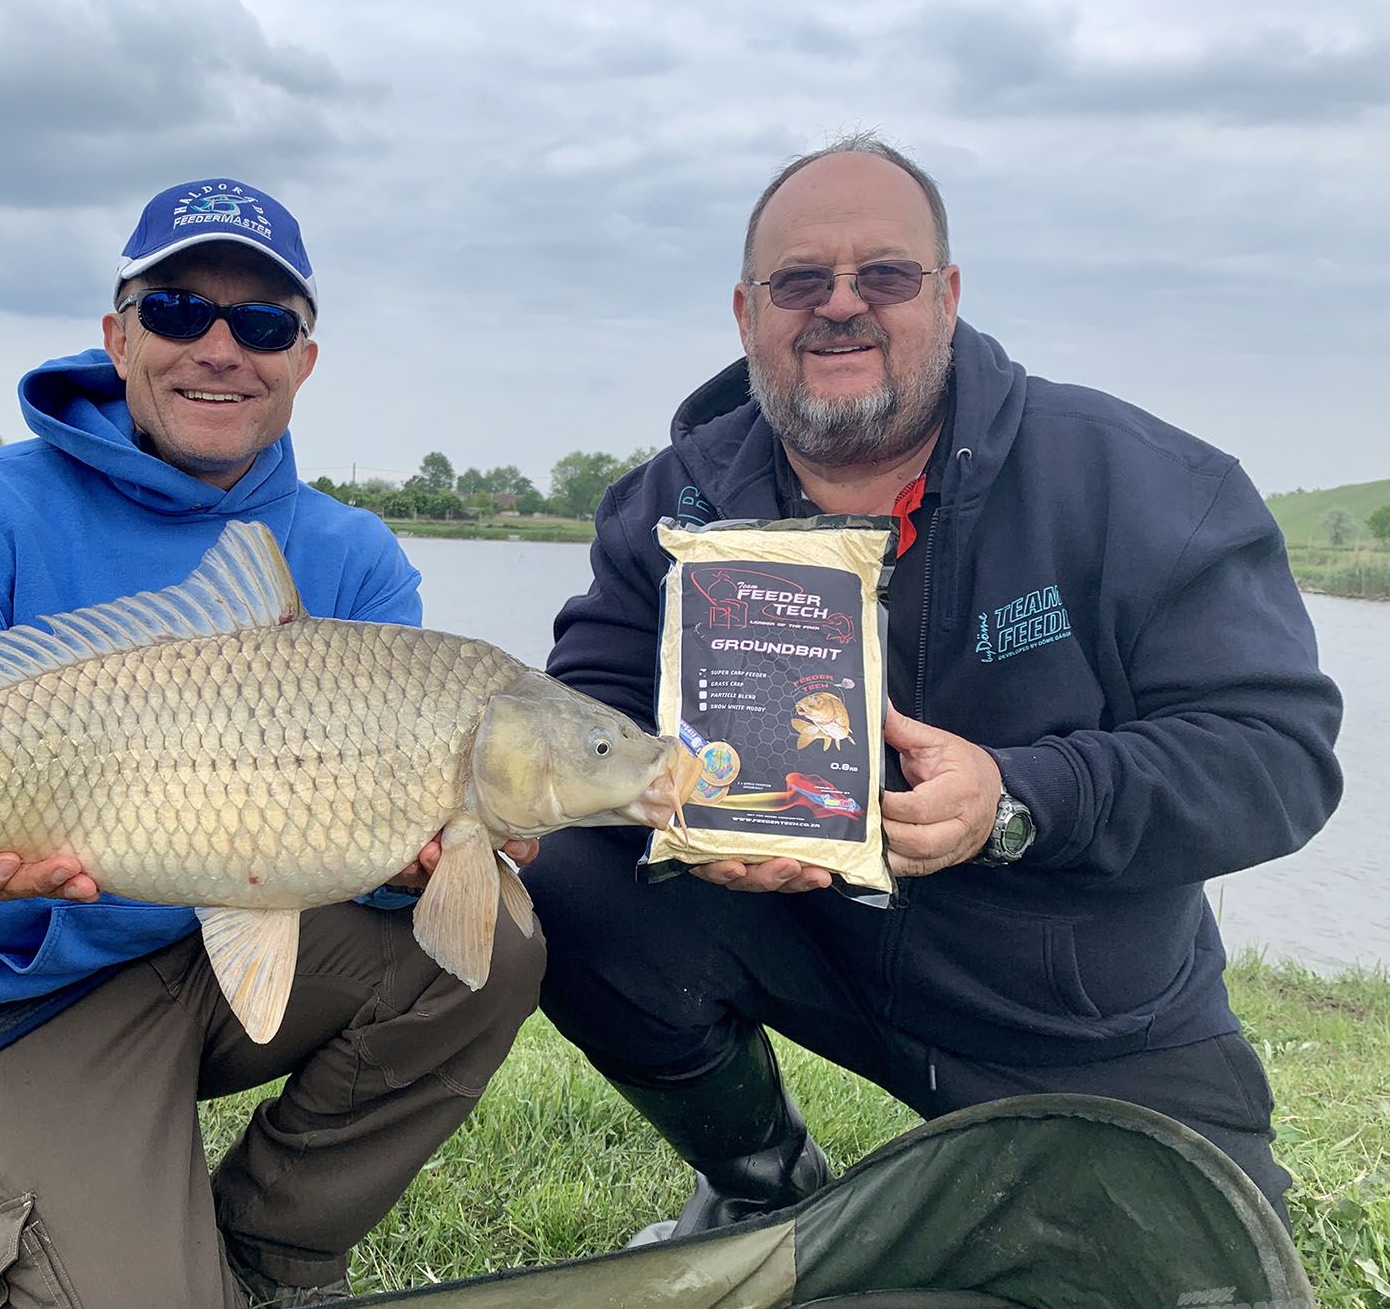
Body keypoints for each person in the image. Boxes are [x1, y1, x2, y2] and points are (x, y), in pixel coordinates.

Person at [523, 135, 1342, 1235]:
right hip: (810, 941)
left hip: (1075, 997)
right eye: (801, 281)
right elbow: (586, 717)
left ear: (947, 296)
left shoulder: (1141, 481)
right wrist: (680, 815)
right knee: (569, 880)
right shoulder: (668, 506)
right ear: (746, 312)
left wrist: (1017, 797)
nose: (841, 307)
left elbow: (1278, 756)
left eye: (886, 277)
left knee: (1207, 1306)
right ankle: (762, 1184)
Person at [0, 178, 544, 1309]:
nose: (221, 348)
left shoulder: (351, 559)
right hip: (25, 996)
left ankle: (270, 1240)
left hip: (233, 953)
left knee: (495, 933)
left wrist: (425, 855)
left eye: (262, 324)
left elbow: (364, 861)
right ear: (117, 336)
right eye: (177, 311)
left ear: (304, 357)